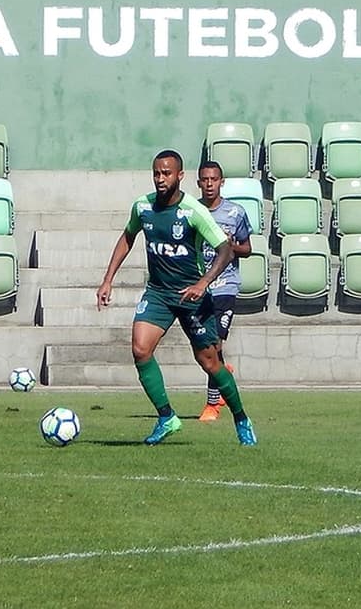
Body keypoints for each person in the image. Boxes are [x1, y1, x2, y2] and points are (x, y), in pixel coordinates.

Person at [96, 149, 257, 446]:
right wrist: (108, 280)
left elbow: (224, 249)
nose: (160, 178)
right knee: (140, 349)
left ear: (180, 176)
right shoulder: (142, 207)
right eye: (157, 173)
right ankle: (167, 416)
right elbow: (128, 237)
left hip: (191, 295)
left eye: (167, 173)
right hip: (158, 292)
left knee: (209, 362)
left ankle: (241, 417)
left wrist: (203, 282)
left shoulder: (194, 211)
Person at [196, 161, 253, 423]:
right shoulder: (192, 211)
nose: (209, 184)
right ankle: (223, 370)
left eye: (214, 179)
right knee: (208, 350)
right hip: (201, 287)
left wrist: (230, 247)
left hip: (226, 286)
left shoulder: (235, 213)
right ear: (198, 182)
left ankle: (212, 405)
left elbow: (247, 248)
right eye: (205, 180)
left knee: (215, 343)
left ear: (222, 182)